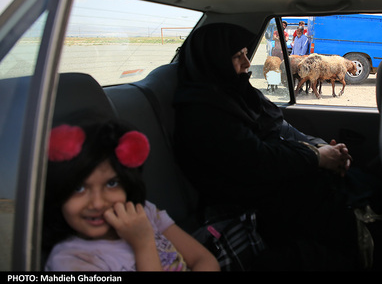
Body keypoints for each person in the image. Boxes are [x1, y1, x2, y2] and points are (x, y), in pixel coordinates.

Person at [174, 23, 364, 271]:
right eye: (237, 56)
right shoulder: (201, 114)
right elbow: (255, 160)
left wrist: (321, 147)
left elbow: (282, 128)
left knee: (351, 182)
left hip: (275, 180)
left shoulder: (240, 93)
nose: (246, 62)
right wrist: (316, 156)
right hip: (247, 199)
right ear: (214, 61)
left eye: (245, 53)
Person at [42, 117, 220, 271]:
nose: (97, 203)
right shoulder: (71, 261)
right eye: (78, 188)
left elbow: (204, 260)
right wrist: (143, 244)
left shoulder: (143, 211)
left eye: (111, 184)